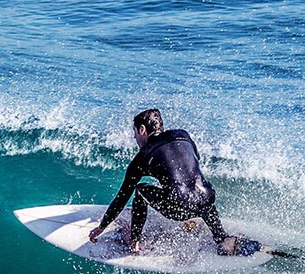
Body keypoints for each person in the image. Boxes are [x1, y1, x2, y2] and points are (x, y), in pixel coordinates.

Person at [88, 108, 244, 256]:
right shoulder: (183, 135)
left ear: (142, 130)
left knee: (140, 190)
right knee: (197, 188)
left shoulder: (143, 155)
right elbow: (194, 161)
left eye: (134, 133)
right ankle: (222, 239)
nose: (135, 138)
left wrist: (101, 227)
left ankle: (134, 241)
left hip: (179, 209)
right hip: (207, 200)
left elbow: (122, 197)